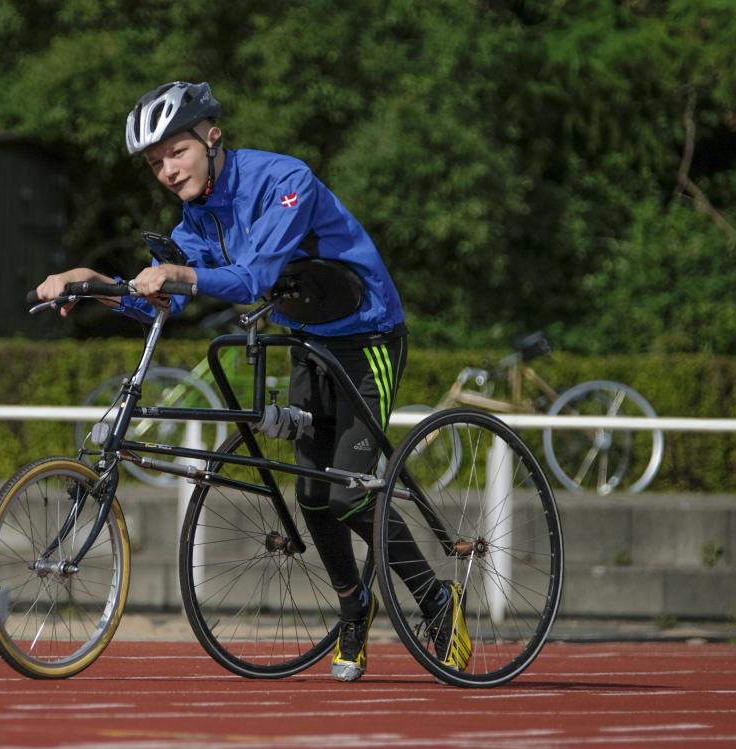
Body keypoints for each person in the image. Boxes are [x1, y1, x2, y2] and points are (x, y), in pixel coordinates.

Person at [35, 80, 470, 681]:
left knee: (348, 492)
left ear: (212, 137)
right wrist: (95, 283)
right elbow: (159, 303)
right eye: (154, 163)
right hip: (309, 341)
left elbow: (253, 279)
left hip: (367, 335)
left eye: (175, 153)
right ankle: (354, 610)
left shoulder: (285, 181)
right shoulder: (198, 220)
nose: (165, 170)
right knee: (313, 495)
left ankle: (435, 600)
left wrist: (177, 274)